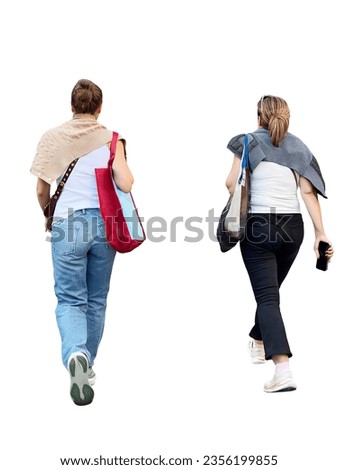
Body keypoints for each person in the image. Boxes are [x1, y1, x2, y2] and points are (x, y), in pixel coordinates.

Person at [30, 79, 134, 406]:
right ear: (99, 107)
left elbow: (41, 189)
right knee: (96, 299)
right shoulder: (111, 140)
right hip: (104, 224)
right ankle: (86, 363)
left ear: (72, 105)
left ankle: (76, 354)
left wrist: (49, 212)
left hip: (67, 225)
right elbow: (127, 183)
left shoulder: (52, 137)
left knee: (70, 298)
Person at [225, 95, 334, 393]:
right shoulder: (298, 148)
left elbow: (231, 183)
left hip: (258, 228)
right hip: (292, 230)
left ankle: (283, 370)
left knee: (268, 298)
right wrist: (320, 233)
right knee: (269, 293)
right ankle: (258, 339)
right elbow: (308, 193)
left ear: (258, 116)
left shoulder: (247, 142)